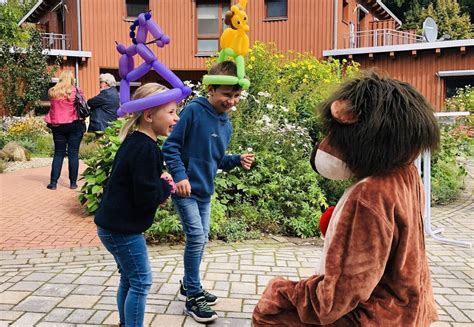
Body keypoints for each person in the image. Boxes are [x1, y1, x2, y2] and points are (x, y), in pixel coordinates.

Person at [253, 72, 440, 326]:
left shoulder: (369, 194)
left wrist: (285, 293)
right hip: (411, 306)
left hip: (376, 316)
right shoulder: (406, 173)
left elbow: (337, 298)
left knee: (271, 312)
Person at [162, 60, 255, 323]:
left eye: (237, 96)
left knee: (201, 239)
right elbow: (171, 147)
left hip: (204, 191)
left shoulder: (226, 125)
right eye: (227, 94)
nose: (232, 101)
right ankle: (193, 296)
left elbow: (215, 161)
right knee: (196, 237)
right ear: (211, 89)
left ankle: (187, 285)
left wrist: (236, 159)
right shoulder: (194, 111)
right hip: (185, 190)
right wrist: (179, 176)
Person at [94, 83, 178, 327]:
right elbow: (146, 196)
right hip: (123, 230)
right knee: (141, 281)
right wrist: (166, 186)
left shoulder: (136, 142)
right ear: (150, 116)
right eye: (171, 112)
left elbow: (136, 188)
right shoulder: (146, 149)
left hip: (112, 226)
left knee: (130, 279)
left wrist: (157, 186)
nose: (176, 117)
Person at [44, 70, 86, 190]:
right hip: (74, 124)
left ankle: (53, 183)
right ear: (72, 79)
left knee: (58, 153)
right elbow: (83, 105)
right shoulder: (77, 91)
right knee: (73, 153)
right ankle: (73, 183)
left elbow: (53, 108)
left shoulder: (52, 92)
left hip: (58, 126)